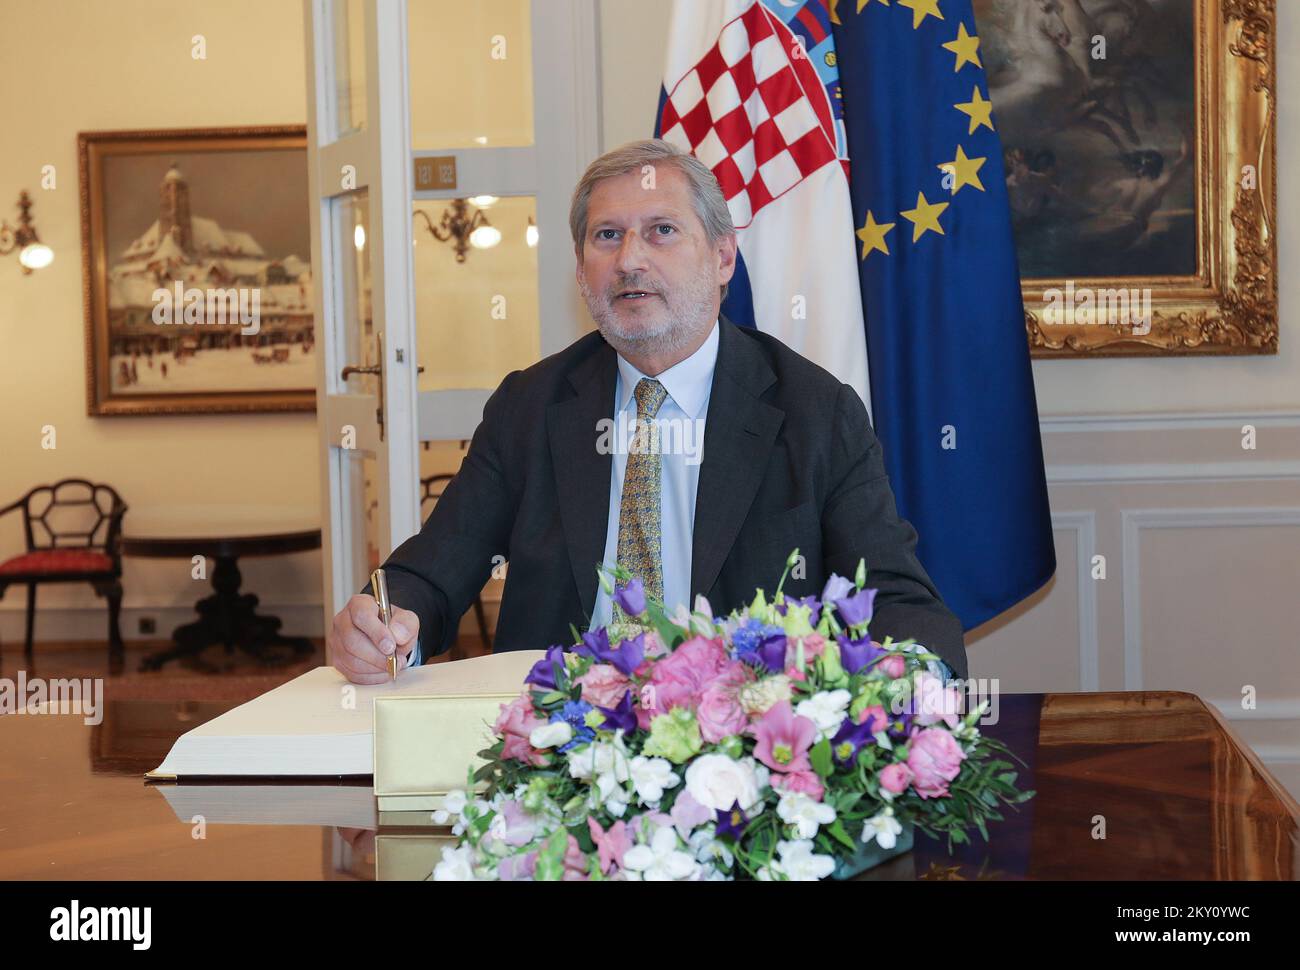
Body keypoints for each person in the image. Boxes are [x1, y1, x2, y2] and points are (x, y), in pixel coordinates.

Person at [329, 139, 967, 686]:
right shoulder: (531, 405)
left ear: (722, 258)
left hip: (743, 757)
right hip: (558, 747)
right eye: (608, 237)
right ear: (582, 272)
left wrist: (904, 677)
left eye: (662, 230)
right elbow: (430, 574)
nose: (631, 258)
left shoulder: (813, 410)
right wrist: (385, 624)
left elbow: (897, 600)